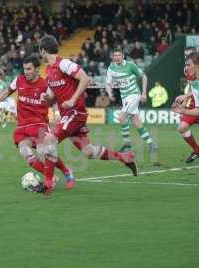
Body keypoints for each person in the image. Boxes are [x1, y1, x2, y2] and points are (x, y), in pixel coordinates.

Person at [39, 35, 138, 192]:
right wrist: (46, 97)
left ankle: (48, 183)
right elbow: (52, 95)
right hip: (68, 114)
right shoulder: (49, 70)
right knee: (88, 151)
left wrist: (72, 100)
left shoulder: (63, 64)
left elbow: (85, 78)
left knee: (48, 140)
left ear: (43, 50)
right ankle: (124, 157)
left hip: (74, 112)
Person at [0, 54, 75, 192]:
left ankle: (66, 172)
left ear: (37, 69)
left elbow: (54, 100)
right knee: (25, 152)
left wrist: (57, 113)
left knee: (45, 151)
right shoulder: (19, 80)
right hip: (22, 126)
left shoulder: (45, 84)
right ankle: (51, 178)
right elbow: (7, 92)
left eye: (29, 69)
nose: (26, 72)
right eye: (24, 69)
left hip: (39, 124)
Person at [105, 47, 157, 153]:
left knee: (121, 117)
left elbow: (144, 77)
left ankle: (127, 145)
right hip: (125, 97)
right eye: (115, 56)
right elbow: (108, 83)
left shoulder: (130, 65)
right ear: (113, 57)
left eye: (119, 55)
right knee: (136, 122)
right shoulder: (111, 68)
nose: (117, 57)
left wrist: (143, 93)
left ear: (123, 56)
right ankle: (152, 144)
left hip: (134, 94)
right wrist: (109, 93)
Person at [172, 51, 199, 158]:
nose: (186, 68)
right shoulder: (194, 83)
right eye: (185, 65)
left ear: (198, 65)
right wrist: (183, 111)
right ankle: (197, 150)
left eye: (188, 65)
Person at [177, 47, 199, 163]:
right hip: (195, 103)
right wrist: (185, 102)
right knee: (182, 127)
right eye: (185, 56)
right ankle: (198, 151)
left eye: (190, 55)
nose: (187, 58)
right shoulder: (187, 70)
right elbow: (193, 88)